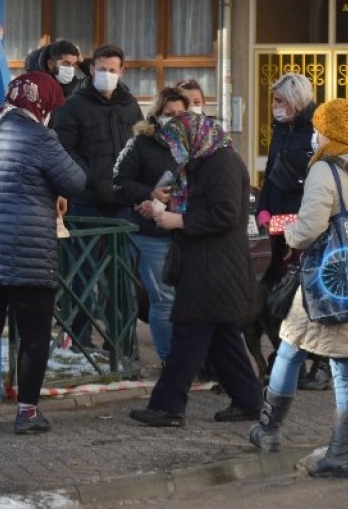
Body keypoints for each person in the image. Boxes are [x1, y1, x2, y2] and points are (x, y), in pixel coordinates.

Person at [248, 98, 348, 479]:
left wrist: (290, 233)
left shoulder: (325, 171)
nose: (314, 135)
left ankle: (268, 430)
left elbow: (310, 228)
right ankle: (340, 453)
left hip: (322, 281)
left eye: (319, 129)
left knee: (289, 352)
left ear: (333, 134)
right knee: (345, 368)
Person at [0, 72, 85, 435]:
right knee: (33, 333)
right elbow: (75, 180)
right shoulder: (40, 137)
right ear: (41, 102)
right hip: (27, 250)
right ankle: (27, 413)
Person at [128, 112, 263, 427]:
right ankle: (249, 400)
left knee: (188, 335)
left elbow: (225, 214)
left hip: (214, 268)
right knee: (221, 339)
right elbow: (201, 205)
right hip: (209, 265)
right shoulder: (203, 161)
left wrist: (179, 220)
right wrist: (162, 209)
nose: (174, 150)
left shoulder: (223, 163)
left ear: (195, 137)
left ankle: (167, 407)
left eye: (177, 143)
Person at [51, 44, 143, 349]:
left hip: (122, 205)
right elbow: (64, 149)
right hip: (87, 201)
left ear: (122, 71)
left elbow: (141, 146)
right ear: (91, 70)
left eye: (112, 70)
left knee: (122, 276)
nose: (106, 75)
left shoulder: (130, 105)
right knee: (83, 274)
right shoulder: (73, 105)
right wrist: (88, 175)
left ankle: (120, 342)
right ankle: (81, 340)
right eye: (101, 69)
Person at [253, 73, 325, 387]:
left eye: (280, 101)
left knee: (308, 295)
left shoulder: (316, 131)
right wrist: (264, 209)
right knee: (277, 291)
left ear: (295, 101)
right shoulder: (282, 129)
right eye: (275, 101)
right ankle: (286, 355)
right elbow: (272, 173)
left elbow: (316, 183)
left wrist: (298, 218)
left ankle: (320, 364)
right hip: (278, 224)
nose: (275, 107)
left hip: (304, 223)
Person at [113, 87, 191, 363]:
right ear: (156, 116)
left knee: (187, 299)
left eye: (181, 114)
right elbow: (119, 183)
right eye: (168, 114)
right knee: (164, 299)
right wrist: (150, 193)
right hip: (152, 234)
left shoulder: (195, 143)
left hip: (187, 231)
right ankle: (170, 361)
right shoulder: (141, 144)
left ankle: (191, 359)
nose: (175, 119)